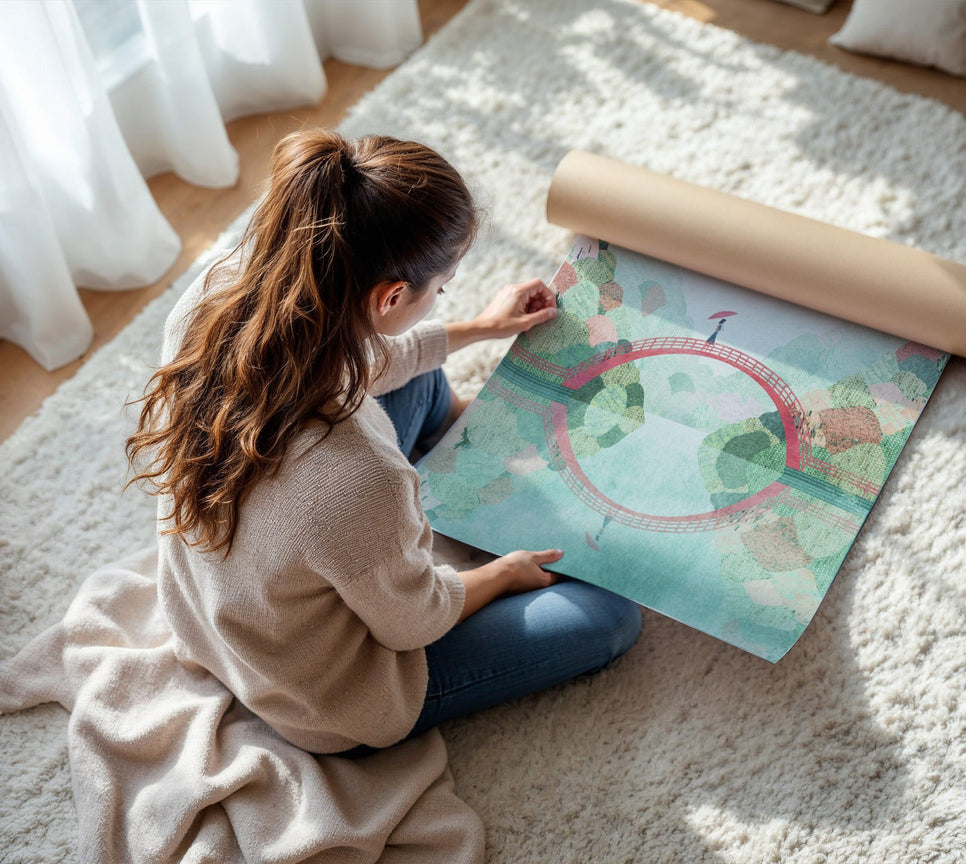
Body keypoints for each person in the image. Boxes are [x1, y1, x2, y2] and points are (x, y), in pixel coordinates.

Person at [126, 129, 641, 757]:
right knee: (609, 617)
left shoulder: (216, 294)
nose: (441, 298)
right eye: (440, 289)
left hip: (218, 611)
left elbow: (367, 358)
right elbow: (413, 621)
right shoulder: (360, 476)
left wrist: (481, 327)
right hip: (321, 694)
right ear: (392, 295)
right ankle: (458, 485)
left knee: (420, 375)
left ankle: (459, 442)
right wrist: (503, 573)